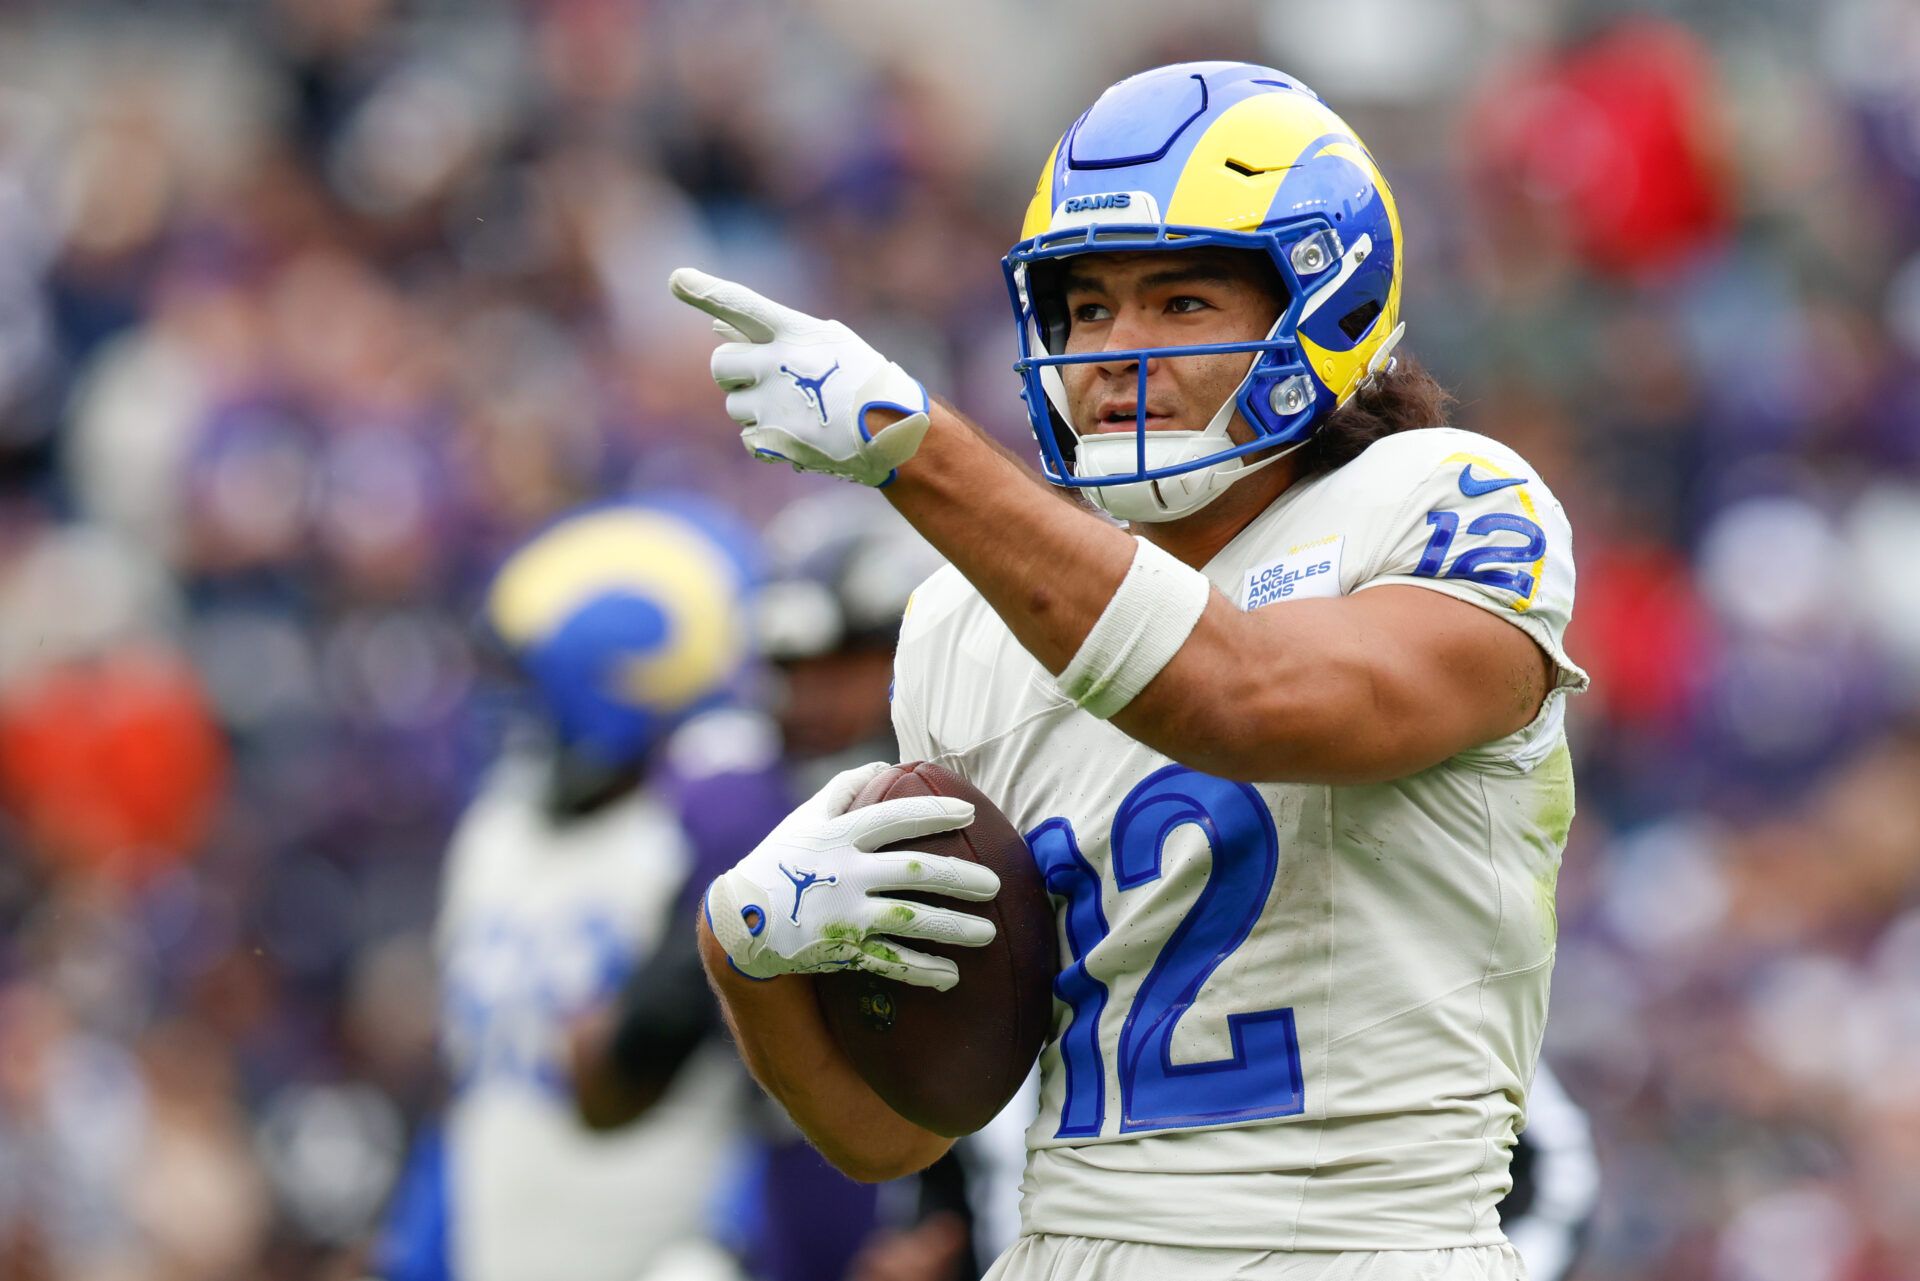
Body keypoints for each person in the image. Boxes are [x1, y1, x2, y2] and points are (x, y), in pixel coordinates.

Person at [675, 62, 1587, 1281]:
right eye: (1086, 306)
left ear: (1322, 301)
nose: (1113, 352)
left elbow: (1247, 695)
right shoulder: (964, 626)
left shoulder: (1443, 501)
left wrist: (918, 451)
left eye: (1181, 301)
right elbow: (897, 1130)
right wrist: (748, 956)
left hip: (1361, 1247)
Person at [374, 498, 789, 1281]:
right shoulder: (493, 835)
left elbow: (775, 1091)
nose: (510, 713)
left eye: (531, 684)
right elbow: (476, 1087)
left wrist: (731, 1242)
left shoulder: (697, 831)